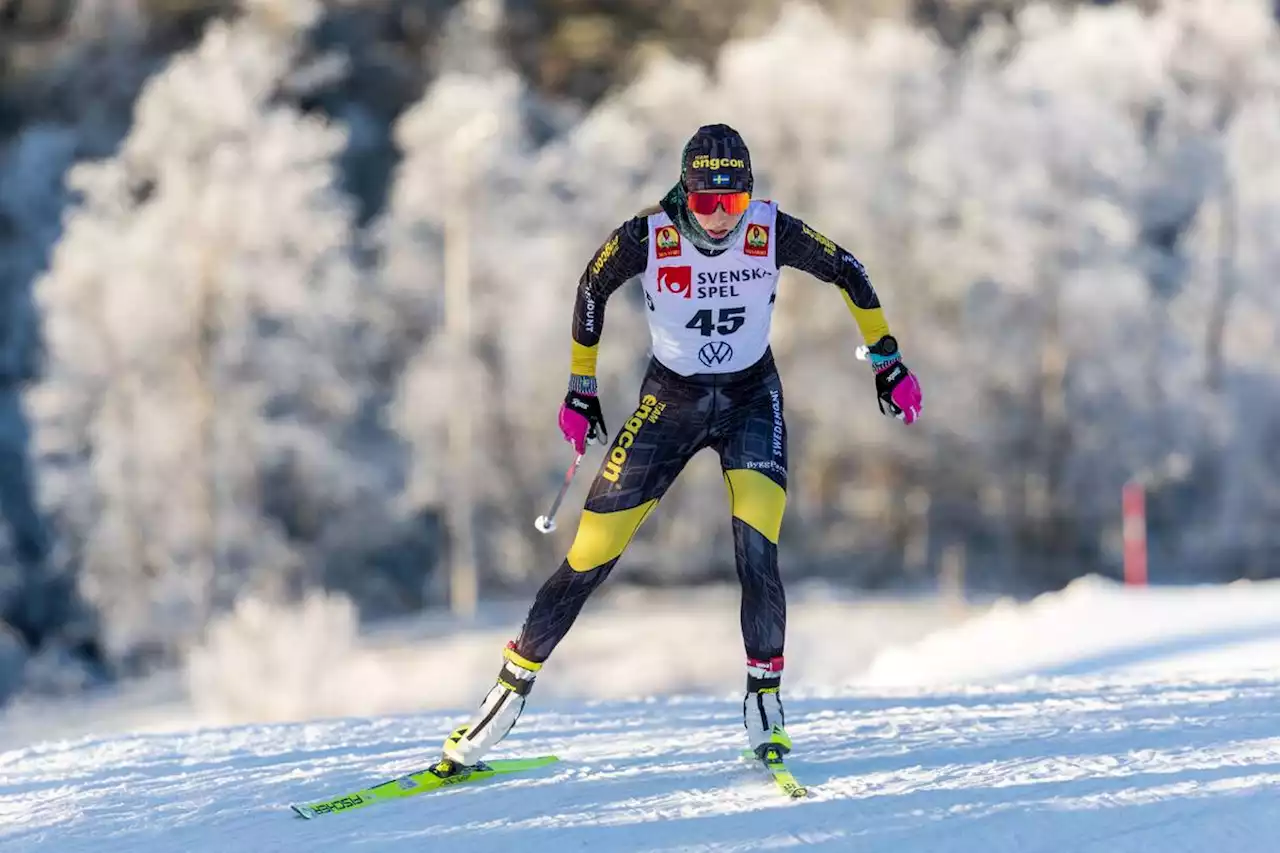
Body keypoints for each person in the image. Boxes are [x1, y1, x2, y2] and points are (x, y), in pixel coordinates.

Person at [436, 124, 923, 773]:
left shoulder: (771, 230)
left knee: (757, 547)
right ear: (684, 196)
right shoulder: (650, 233)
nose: (720, 219)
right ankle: (506, 694)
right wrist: (581, 386)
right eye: (704, 204)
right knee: (591, 551)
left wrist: (886, 360)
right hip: (671, 403)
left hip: (752, 400)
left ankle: (765, 701)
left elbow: (850, 270)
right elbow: (591, 286)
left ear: (749, 194)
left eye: (732, 203)